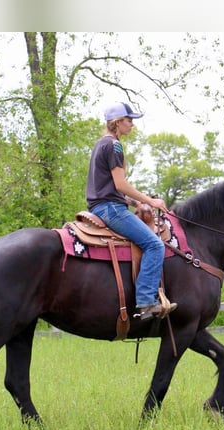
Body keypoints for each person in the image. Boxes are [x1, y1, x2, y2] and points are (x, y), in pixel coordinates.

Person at [85, 102, 177, 321]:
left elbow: (107, 186)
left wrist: (135, 204)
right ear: (117, 122)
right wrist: (150, 200)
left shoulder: (100, 144)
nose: (132, 125)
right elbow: (119, 184)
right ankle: (146, 302)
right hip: (111, 209)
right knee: (154, 245)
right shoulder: (114, 146)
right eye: (129, 120)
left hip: (102, 205)